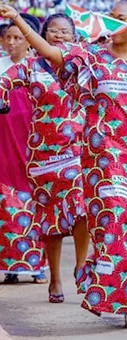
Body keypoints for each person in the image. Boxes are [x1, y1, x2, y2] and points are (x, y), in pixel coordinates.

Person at [0, 0, 127, 328]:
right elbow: (48, 51)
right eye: (110, 16)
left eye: (120, 18)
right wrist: (17, 17)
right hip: (103, 159)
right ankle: (111, 291)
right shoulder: (91, 57)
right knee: (114, 224)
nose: (111, 21)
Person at [0, 13, 90, 303]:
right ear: (42, 35)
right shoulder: (30, 66)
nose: (59, 36)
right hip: (42, 154)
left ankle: (80, 265)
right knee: (49, 219)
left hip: (77, 150)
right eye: (53, 31)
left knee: (80, 208)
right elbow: (5, 81)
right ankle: (54, 278)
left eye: (65, 32)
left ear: (74, 37)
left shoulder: (83, 64)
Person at [0, 16, 48, 285]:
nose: (12, 42)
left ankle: (37, 264)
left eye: (18, 38)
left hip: (32, 142)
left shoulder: (39, 67)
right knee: (6, 203)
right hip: (4, 142)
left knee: (34, 201)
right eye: (8, 37)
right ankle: (11, 265)